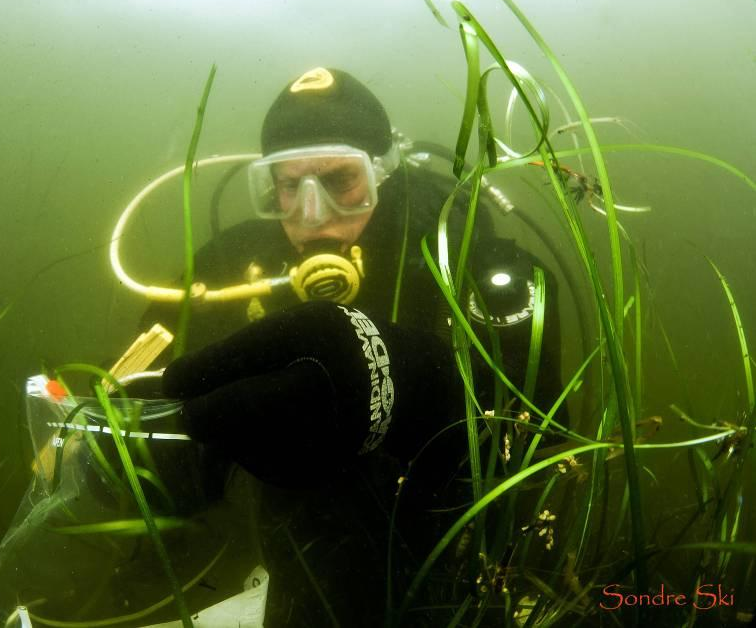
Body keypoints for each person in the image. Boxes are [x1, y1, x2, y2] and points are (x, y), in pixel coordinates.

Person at [134, 66, 565, 626]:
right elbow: (128, 408)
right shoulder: (227, 270)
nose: (312, 215)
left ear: (382, 174)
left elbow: (540, 446)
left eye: (341, 181)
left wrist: (422, 389)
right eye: (288, 186)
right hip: (255, 568)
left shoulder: (464, 267)